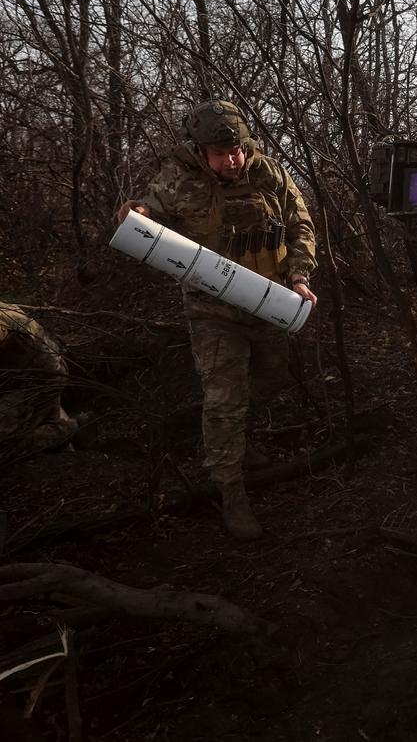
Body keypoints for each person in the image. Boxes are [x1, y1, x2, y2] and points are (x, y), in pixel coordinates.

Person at [117, 100, 318, 541]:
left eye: (236, 150)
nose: (231, 160)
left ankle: (242, 448)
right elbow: (147, 208)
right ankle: (231, 492)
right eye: (220, 153)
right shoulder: (178, 177)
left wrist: (300, 275)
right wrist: (140, 214)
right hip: (212, 311)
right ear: (201, 150)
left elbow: (301, 226)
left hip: (269, 303)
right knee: (225, 399)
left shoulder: (269, 173)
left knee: (268, 381)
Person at [0, 302, 84, 457]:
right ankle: (61, 436)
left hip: (38, 376)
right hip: (39, 367)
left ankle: (68, 429)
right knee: (39, 417)